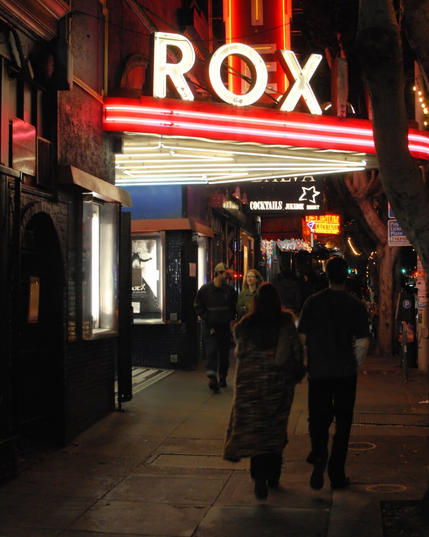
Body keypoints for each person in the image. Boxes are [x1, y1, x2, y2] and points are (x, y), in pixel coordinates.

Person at [223, 283, 306, 500]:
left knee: (256, 429)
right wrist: (296, 374)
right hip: (277, 385)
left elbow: (240, 353)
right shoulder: (286, 324)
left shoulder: (245, 326)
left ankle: (258, 476)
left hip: (250, 386)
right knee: (274, 429)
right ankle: (273, 474)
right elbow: (297, 353)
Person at [298, 256, 370, 491]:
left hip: (318, 371)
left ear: (327, 275)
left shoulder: (312, 302)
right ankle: (337, 472)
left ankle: (319, 454)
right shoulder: (355, 306)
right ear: (345, 277)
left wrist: (305, 361)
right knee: (344, 422)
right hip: (344, 372)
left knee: (317, 418)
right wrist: (354, 365)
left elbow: (302, 338)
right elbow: (362, 342)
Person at [194, 263, 238, 392]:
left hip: (224, 328)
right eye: (225, 273)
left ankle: (222, 377)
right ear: (219, 273)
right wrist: (206, 317)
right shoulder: (205, 290)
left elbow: (234, 306)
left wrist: (231, 318)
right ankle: (212, 376)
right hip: (210, 327)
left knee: (224, 354)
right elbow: (197, 305)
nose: (227, 276)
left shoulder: (230, 290)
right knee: (212, 351)